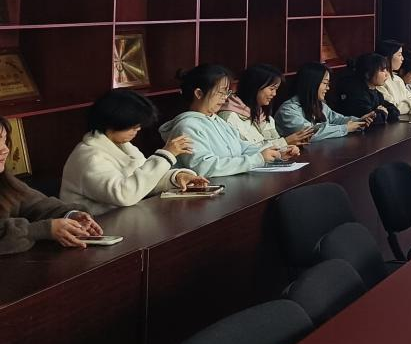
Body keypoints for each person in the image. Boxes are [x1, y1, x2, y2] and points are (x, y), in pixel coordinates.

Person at [60, 90, 207, 215]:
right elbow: (124, 194)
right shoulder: (89, 157)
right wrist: (166, 155)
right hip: (95, 229)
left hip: (123, 220)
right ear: (112, 122)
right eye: (133, 126)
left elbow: (145, 181)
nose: (138, 129)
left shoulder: (123, 146)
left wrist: (176, 177)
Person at [1, 115, 104, 253]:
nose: (5, 149)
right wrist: (45, 229)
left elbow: (37, 204)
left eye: (4, 140)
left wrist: (70, 215)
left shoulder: (5, 180)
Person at [159, 65, 284, 177]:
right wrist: (257, 159)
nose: (225, 98)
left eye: (227, 92)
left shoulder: (217, 120)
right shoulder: (187, 127)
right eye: (220, 92)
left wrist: (275, 152)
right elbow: (203, 167)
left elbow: (242, 147)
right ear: (199, 93)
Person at [219, 64, 313, 151]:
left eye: (276, 89)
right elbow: (246, 152)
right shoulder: (229, 117)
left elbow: (273, 145)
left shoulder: (264, 115)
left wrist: (288, 149)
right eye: (271, 89)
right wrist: (285, 142)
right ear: (254, 87)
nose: (274, 94)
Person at [276, 63, 371, 142]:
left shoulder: (318, 104)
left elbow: (336, 119)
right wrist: (345, 128)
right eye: (325, 83)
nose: (328, 88)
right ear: (312, 83)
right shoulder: (288, 110)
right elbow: (310, 133)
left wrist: (359, 121)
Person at [332, 53, 400, 124]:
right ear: (368, 74)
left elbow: (395, 112)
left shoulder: (375, 92)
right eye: (382, 70)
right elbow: (373, 120)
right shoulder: (356, 94)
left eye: (386, 70)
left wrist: (383, 111)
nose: (386, 74)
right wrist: (383, 112)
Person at [374, 40, 411, 116]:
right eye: (399, 55)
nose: (402, 59)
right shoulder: (379, 81)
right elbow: (393, 108)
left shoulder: (398, 79)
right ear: (387, 58)